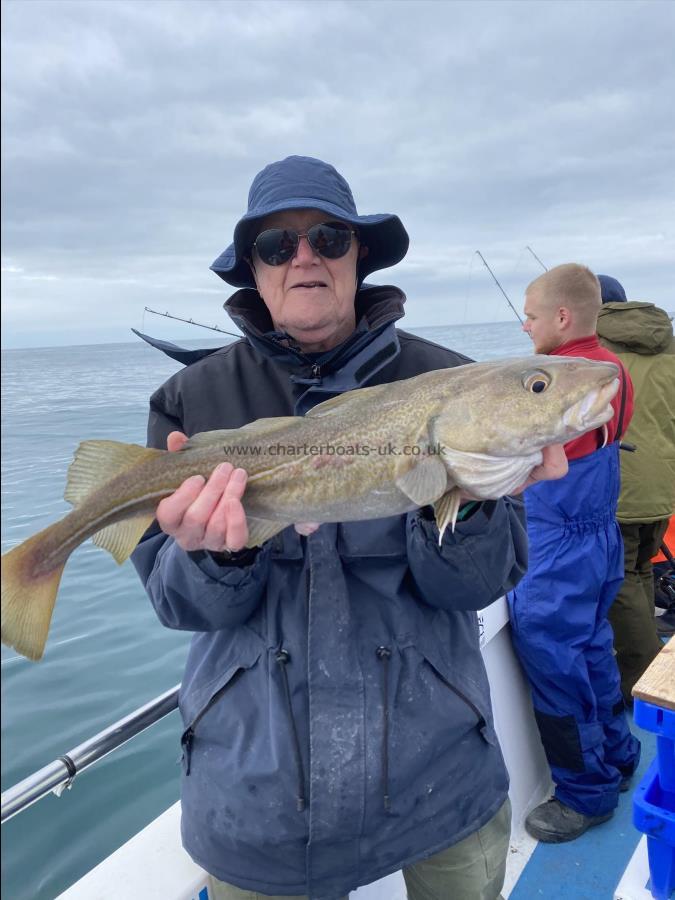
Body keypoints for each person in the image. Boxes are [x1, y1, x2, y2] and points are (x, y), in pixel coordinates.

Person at [131, 155, 565, 900]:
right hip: (256, 803)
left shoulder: (456, 384)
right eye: (277, 245)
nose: (304, 257)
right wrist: (217, 559)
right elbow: (179, 606)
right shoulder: (189, 402)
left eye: (328, 238)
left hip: (441, 778)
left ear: (357, 254)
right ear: (253, 270)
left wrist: (477, 499)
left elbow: (469, 590)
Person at [507, 263, 641, 844]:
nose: (524, 326)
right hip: (598, 538)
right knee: (592, 649)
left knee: (556, 662)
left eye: (531, 316)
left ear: (561, 317)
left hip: (557, 549)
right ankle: (620, 753)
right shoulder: (614, 371)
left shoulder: (565, 379)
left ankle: (586, 794)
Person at [595, 275, 675, 669]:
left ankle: (641, 681)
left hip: (621, 485)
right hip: (663, 485)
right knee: (642, 570)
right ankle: (656, 665)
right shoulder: (668, 346)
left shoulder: (595, 353)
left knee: (622, 578)